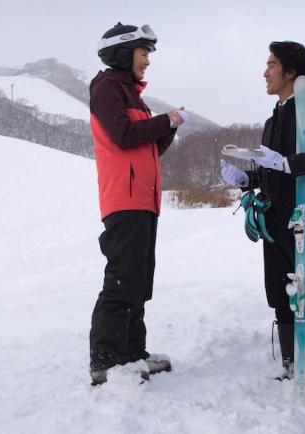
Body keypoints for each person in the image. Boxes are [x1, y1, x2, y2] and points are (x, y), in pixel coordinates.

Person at [220, 41, 305, 401]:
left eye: (272, 64)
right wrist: (246, 179)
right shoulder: (271, 121)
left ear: (291, 72)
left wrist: (289, 163)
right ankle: (294, 362)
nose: (265, 72)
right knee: (280, 291)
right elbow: (269, 170)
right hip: (273, 221)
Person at [88, 22, 187, 386]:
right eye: (143, 52)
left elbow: (149, 147)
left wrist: (169, 127)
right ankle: (105, 361)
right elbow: (125, 135)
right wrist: (164, 120)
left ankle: (131, 354)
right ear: (123, 52)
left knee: (138, 281)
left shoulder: (131, 93)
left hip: (144, 200)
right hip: (124, 199)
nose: (147, 60)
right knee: (122, 279)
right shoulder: (107, 88)